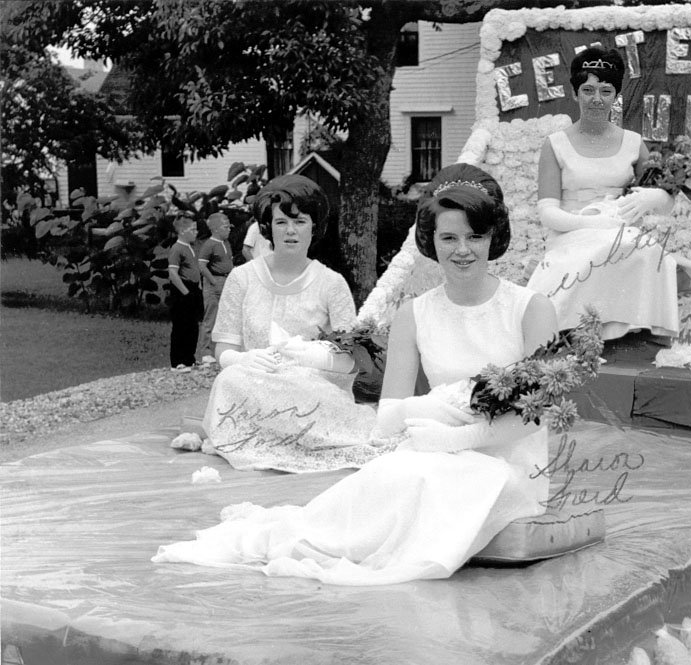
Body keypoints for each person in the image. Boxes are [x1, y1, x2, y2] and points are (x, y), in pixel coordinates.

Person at [153, 164, 559, 586]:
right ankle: (305, 540)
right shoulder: (414, 314)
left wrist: (457, 436)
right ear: (431, 241)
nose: (462, 250)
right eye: (449, 238)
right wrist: (439, 415)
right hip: (432, 449)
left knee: (425, 479)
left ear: (493, 238)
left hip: (508, 466)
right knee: (379, 481)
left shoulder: (531, 308)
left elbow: (540, 413)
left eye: (475, 237)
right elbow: (388, 418)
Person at [201, 174, 379, 473]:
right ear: (268, 227)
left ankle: (299, 436)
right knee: (229, 380)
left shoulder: (332, 283)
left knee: (303, 391)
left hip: (312, 394)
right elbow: (224, 348)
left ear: (314, 226)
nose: (290, 231)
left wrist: (311, 356)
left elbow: (355, 360)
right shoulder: (241, 278)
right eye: (281, 222)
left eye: (300, 221)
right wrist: (241, 359)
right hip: (256, 386)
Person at [526, 46, 691, 342]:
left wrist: (654, 198)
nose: (597, 99)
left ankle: (634, 325)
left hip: (623, 232)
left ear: (615, 96)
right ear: (575, 94)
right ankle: (581, 327)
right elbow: (548, 213)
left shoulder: (632, 142)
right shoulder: (555, 144)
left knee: (642, 248)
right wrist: (594, 223)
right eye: (588, 90)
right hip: (571, 234)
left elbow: (664, 195)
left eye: (605, 91)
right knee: (609, 250)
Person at [194, 213, 234, 365]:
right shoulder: (209, 245)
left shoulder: (226, 243)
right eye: (225, 227)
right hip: (214, 282)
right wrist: (213, 281)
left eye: (229, 227)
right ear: (216, 229)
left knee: (226, 317)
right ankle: (205, 352)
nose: (229, 229)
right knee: (211, 317)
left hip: (227, 280)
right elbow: (202, 265)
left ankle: (221, 349)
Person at [167, 216, 203, 372]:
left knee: (192, 326)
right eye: (192, 230)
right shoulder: (177, 249)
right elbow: (173, 274)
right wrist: (186, 293)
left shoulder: (191, 248)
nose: (196, 232)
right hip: (182, 290)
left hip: (193, 288)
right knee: (181, 326)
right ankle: (177, 361)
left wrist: (198, 288)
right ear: (182, 231)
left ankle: (189, 358)